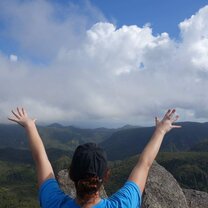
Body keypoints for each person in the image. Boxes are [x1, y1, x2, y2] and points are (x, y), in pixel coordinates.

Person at [8, 108, 181, 208]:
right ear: (106, 175)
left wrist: (29, 126)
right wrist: (161, 131)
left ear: (71, 173)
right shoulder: (123, 204)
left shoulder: (54, 203)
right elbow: (144, 164)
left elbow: (40, 159)